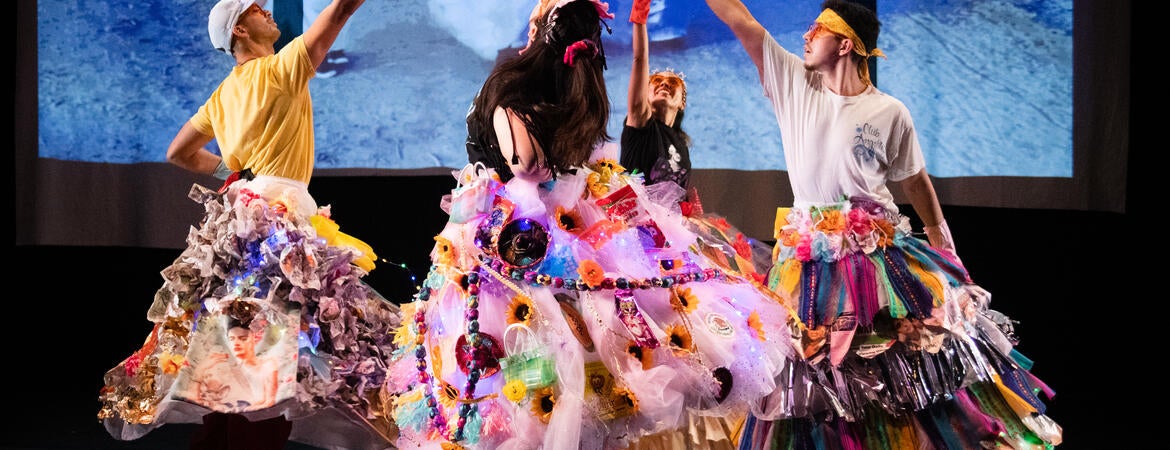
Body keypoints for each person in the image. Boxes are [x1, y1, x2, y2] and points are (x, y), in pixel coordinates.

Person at [383, 1, 795, 449]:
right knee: (577, 356)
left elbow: (526, 166)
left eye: (541, 14)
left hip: (521, 233)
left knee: (519, 367)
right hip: (572, 226)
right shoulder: (576, 93)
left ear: (542, 30)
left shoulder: (515, 96)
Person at [702, 0, 1063, 448]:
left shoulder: (890, 111)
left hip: (875, 257)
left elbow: (916, 183)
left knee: (896, 361)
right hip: (811, 257)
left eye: (817, 30)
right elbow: (741, 18)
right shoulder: (795, 82)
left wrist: (941, 240)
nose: (806, 36)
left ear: (845, 44)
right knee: (815, 363)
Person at [96, 1, 401, 449]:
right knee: (270, 359)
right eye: (259, 9)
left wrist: (234, 177)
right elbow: (336, 14)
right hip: (280, 224)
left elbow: (178, 152)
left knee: (232, 348)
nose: (268, 11)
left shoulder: (223, 95)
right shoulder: (281, 70)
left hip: (240, 220)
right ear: (241, 28)